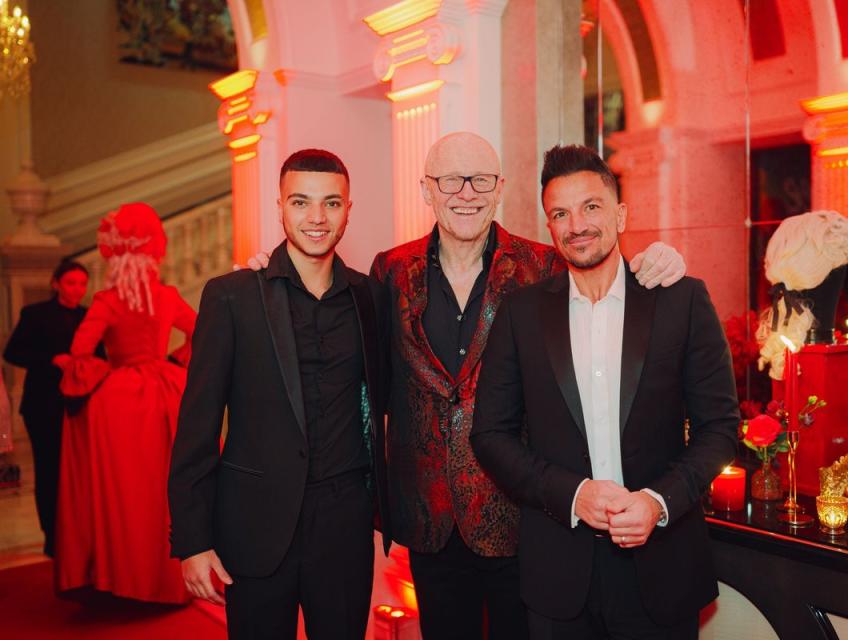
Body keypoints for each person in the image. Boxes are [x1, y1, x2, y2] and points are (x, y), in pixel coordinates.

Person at [249, 132, 685, 638]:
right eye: (450, 180)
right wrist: (267, 271)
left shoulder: (543, 265)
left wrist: (658, 261)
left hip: (524, 515)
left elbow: (606, 298)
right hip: (428, 518)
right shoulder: (389, 271)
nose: (466, 193)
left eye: (480, 180)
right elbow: (337, 347)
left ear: (499, 188)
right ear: (426, 190)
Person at [471, 144, 739, 639]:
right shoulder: (521, 314)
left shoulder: (681, 301)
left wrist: (658, 501)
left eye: (591, 207)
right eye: (560, 213)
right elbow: (490, 434)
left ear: (620, 215)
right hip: (558, 571)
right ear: (549, 227)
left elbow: (720, 429)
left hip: (662, 566)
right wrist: (572, 495)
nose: (577, 225)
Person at [168, 149, 389, 639]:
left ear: (349, 209)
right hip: (254, 524)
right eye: (301, 202)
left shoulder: (370, 297)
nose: (316, 217)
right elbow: (197, 429)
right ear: (280, 207)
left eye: (331, 203)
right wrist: (192, 540)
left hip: (344, 523)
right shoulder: (231, 296)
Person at [54, 203, 195, 603]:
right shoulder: (166, 297)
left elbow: (79, 350)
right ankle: (172, 578)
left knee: (127, 493)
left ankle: (125, 578)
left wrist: (103, 373)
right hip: (166, 394)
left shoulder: (108, 301)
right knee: (168, 488)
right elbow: (202, 330)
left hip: (117, 406)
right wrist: (175, 362)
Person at [3, 259, 92, 557]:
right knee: (49, 470)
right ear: (56, 284)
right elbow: (13, 352)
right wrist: (52, 359)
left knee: (78, 470)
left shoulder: (88, 316)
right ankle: (52, 537)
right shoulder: (35, 314)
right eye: (71, 283)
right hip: (43, 404)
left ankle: (77, 533)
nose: (77, 289)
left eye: (82, 283)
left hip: (79, 403)